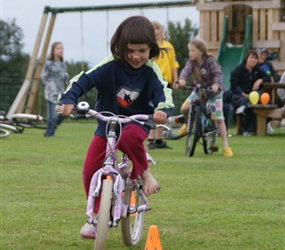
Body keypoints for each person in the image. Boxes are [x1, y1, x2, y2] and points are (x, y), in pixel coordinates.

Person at [59, 16, 174, 239]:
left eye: (142, 50)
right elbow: (84, 80)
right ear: (120, 48)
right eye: (130, 50)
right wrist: (69, 98)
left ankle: (144, 172)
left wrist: (163, 110)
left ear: (151, 48)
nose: (136, 56)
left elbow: (163, 93)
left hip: (136, 123)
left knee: (130, 137)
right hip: (107, 125)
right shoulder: (110, 65)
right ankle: (94, 217)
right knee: (89, 170)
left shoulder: (151, 71)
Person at [178, 39, 233, 157]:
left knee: (218, 119)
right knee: (184, 108)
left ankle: (226, 146)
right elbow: (186, 70)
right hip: (199, 91)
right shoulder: (191, 62)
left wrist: (216, 85)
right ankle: (188, 124)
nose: (190, 53)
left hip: (214, 93)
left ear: (201, 51)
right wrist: (182, 79)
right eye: (189, 51)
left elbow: (218, 74)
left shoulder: (210, 61)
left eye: (193, 50)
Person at [146, 21, 179, 150]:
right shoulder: (150, 47)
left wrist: (176, 79)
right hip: (153, 82)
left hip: (166, 82)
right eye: (154, 29)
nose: (157, 31)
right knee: (152, 110)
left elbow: (173, 64)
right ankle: (150, 139)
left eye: (158, 28)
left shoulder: (168, 46)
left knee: (163, 110)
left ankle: (159, 140)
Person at [230, 50, 271, 136]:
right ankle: (247, 130)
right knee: (249, 103)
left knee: (266, 103)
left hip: (253, 96)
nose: (253, 60)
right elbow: (234, 84)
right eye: (251, 58)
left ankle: (260, 126)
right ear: (246, 59)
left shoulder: (257, 69)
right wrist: (243, 94)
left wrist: (260, 80)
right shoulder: (239, 69)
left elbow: (268, 77)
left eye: (255, 58)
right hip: (239, 95)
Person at [40, 42, 69, 137]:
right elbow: (44, 76)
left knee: (63, 112)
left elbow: (63, 76)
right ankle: (49, 133)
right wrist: (52, 86)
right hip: (51, 93)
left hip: (61, 93)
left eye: (62, 48)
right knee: (52, 115)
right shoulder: (48, 64)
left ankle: (55, 124)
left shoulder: (63, 64)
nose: (61, 50)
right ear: (53, 51)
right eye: (58, 48)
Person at [256, 47, 280, 133]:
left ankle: (267, 123)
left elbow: (275, 77)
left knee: (275, 100)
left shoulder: (268, 64)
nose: (263, 56)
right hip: (254, 91)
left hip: (268, 92)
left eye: (265, 55)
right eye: (261, 54)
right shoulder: (254, 64)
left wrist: (272, 78)